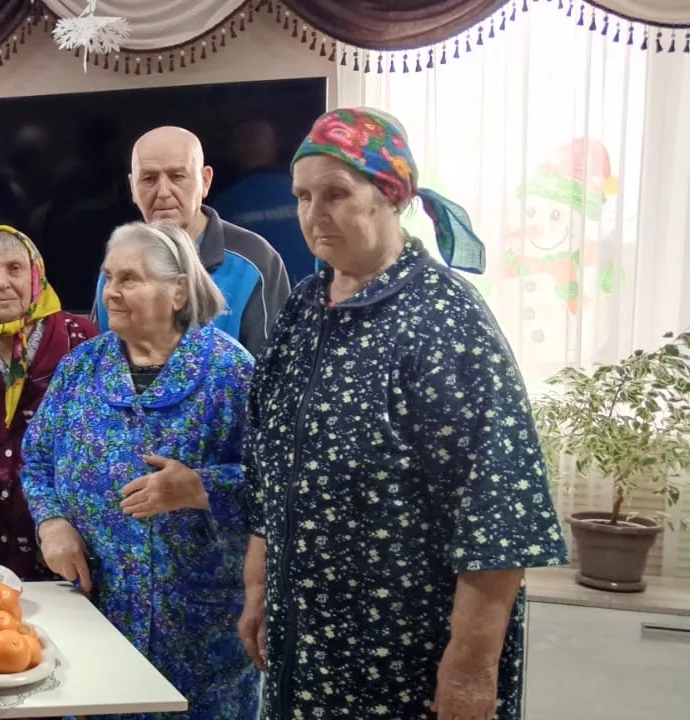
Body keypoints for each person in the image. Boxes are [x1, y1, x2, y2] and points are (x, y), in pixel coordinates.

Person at [239, 108, 568, 720]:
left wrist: (471, 668)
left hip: (403, 659)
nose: (314, 214)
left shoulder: (445, 320)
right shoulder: (304, 308)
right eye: (303, 196)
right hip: (304, 649)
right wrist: (258, 589)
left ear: (393, 195)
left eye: (336, 194)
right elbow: (268, 464)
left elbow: (499, 513)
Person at [22, 222, 257, 719]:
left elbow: (276, 486)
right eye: (108, 277)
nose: (112, 291)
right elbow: (37, 459)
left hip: (200, 636)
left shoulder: (230, 372)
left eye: (129, 278)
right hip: (98, 620)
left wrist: (198, 487)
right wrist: (51, 522)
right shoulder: (80, 369)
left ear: (178, 291)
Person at [0, 225, 96, 581]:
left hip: (59, 531)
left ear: (36, 274)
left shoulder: (82, 340)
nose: (2, 282)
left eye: (14, 268)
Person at [91, 126, 291, 358]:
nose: (163, 192)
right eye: (149, 179)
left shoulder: (255, 261)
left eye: (177, 176)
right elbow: (99, 361)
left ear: (205, 180)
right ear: (133, 188)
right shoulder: (117, 264)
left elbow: (273, 369)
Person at [210, 120, 318, 283]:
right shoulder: (302, 192)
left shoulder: (226, 203)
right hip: (307, 289)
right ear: (274, 147)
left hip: (259, 293)